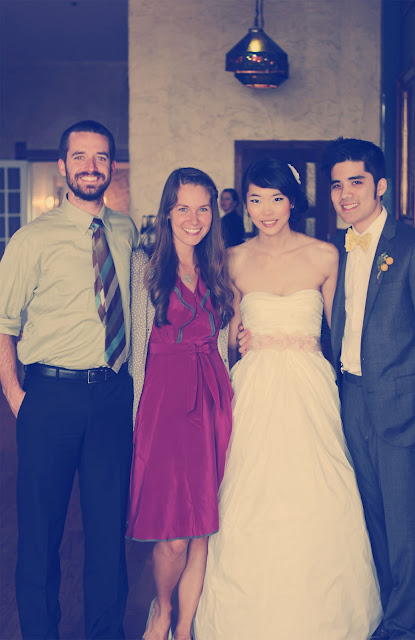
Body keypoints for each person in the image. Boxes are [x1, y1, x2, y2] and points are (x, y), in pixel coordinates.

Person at [194, 157, 382, 639]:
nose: (266, 210)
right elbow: (227, 334)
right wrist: (237, 341)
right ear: (245, 204)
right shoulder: (233, 258)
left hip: (310, 387)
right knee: (250, 494)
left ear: (292, 201)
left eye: (276, 198)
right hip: (254, 387)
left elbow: (346, 334)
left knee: (317, 493)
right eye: (255, 200)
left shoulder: (325, 255)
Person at [0, 120, 139, 639]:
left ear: (112, 166)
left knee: (108, 532)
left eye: (100, 157)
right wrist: (17, 396)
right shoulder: (31, 239)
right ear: (62, 166)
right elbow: (3, 323)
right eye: (79, 157)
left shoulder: (125, 230)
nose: (90, 166)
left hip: (112, 396)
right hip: (50, 397)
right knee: (41, 532)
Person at [322, 137, 415, 640]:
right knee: (372, 520)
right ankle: (389, 614)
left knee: (406, 525)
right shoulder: (335, 249)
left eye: (356, 182)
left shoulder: (413, 247)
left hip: (402, 406)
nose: (345, 194)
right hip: (350, 397)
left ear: (380, 185)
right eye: (337, 185)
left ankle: (409, 626)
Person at [126, 167, 234, 640]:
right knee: (171, 537)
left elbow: (225, 342)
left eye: (203, 208)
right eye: (183, 208)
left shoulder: (218, 268)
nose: (194, 218)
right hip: (164, 406)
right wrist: (133, 420)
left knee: (201, 527)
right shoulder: (144, 266)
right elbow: (136, 351)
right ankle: (163, 608)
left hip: (212, 403)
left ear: (214, 213)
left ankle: (185, 626)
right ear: (167, 212)